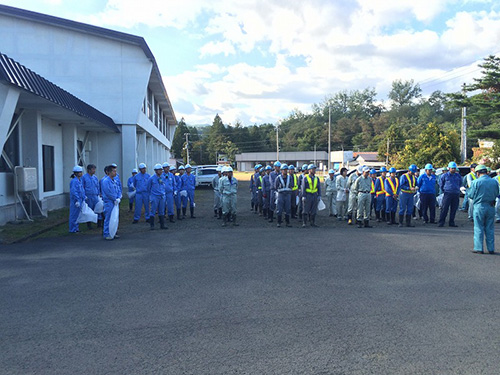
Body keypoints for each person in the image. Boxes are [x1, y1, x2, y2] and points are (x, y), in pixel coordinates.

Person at [468, 165, 499, 254]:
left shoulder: (476, 182)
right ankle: (491, 248)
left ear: (478, 173)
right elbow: (497, 193)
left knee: (478, 227)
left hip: (479, 206)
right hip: (491, 206)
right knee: (490, 228)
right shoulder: (494, 181)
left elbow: (470, 195)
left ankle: (479, 248)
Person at [438, 161, 462, 227]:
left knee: (453, 209)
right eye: (452, 168)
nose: (453, 169)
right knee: (444, 208)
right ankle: (441, 222)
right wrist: (445, 190)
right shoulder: (444, 176)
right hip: (447, 193)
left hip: (456, 194)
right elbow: (441, 184)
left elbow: (460, 183)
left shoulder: (458, 176)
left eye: (454, 168)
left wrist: (457, 189)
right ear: (449, 168)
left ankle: (451, 222)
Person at [101, 164, 121, 240]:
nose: (115, 173)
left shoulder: (114, 180)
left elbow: (118, 190)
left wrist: (119, 197)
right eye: (114, 171)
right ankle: (107, 233)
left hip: (115, 202)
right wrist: (114, 198)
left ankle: (113, 232)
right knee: (109, 218)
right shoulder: (106, 181)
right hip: (109, 202)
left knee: (115, 218)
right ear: (109, 172)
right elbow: (108, 192)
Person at [148, 164, 168, 230]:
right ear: (155, 171)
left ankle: (162, 225)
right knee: (153, 210)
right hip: (155, 196)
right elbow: (148, 188)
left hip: (162, 196)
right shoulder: (151, 178)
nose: (160, 171)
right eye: (159, 170)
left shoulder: (163, 177)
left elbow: (164, 185)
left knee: (161, 210)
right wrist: (151, 196)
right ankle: (152, 225)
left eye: (161, 170)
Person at [81, 164, 99, 229]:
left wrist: (99, 193)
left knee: (97, 209)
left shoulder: (95, 177)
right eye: (93, 169)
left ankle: (98, 223)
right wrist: (84, 196)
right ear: (89, 170)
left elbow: (97, 186)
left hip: (95, 195)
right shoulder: (84, 177)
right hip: (88, 196)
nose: (94, 171)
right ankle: (89, 224)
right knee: (89, 210)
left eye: (94, 169)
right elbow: (82, 187)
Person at [69, 165, 86, 233]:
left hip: (80, 200)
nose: (81, 173)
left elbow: (81, 190)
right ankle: (72, 229)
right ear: (76, 173)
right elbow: (74, 191)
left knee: (78, 215)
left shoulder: (79, 180)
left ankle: (76, 228)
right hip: (75, 201)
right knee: (74, 215)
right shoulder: (74, 181)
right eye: (80, 172)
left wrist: (84, 197)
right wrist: (77, 200)